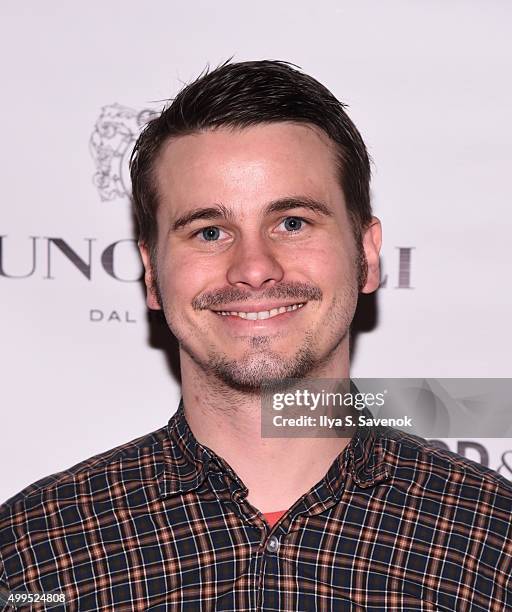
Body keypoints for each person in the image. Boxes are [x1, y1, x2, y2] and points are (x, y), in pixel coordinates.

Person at [1, 60, 511, 611]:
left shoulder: (496, 542)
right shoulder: (33, 552)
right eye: (210, 231)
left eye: (292, 222)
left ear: (365, 254)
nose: (253, 267)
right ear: (152, 273)